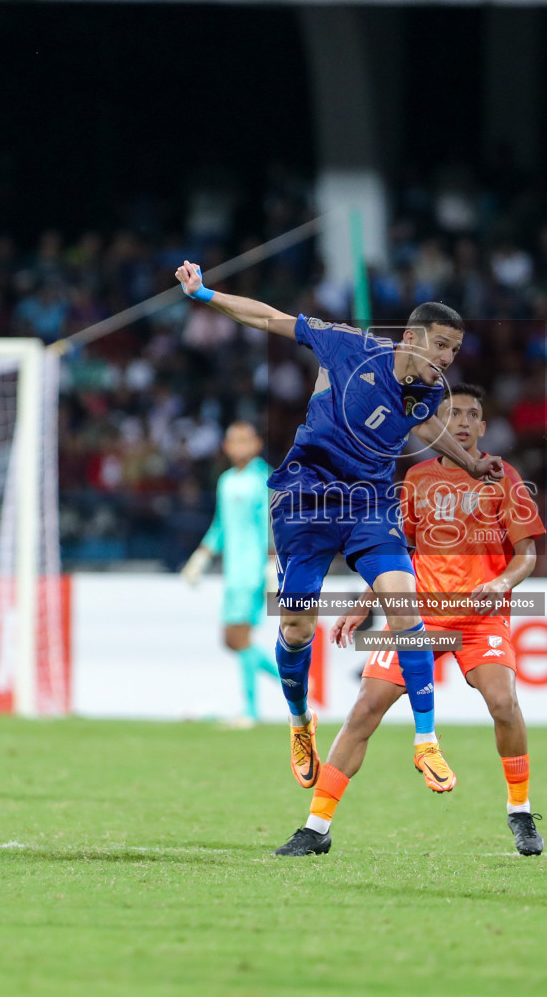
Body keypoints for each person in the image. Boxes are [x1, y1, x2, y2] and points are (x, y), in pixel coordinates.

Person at [172, 261, 502, 857]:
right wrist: (205, 294)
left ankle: (426, 739)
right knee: (296, 627)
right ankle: (300, 722)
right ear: (413, 337)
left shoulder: (428, 388)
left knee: (406, 609)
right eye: (443, 345)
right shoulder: (348, 345)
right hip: (304, 498)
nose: (450, 359)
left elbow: (427, 422)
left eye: (456, 350)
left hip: (369, 505)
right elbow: (269, 318)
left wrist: (471, 462)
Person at [323, 385, 547, 855]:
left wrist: (502, 584)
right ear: (438, 425)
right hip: (416, 617)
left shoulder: (505, 477)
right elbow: (393, 553)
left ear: (484, 427)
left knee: (503, 703)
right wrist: (365, 601)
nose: (463, 421)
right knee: (365, 708)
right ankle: (315, 826)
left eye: (472, 414)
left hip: (479, 621)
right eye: (452, 414)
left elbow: (526, 556)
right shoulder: (416, 479)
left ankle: (520, 813)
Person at [180, 420, 283, 725]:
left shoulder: (264, 478)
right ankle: (294, 683)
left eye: (245, 440)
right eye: (233, 441)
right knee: (232, 639)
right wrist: (200, 557)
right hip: (232, 570)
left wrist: (270, 563)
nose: (239, 446)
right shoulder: (226, 480)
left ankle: (251, 711)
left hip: (252, 569)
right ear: (226, 447)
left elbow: (273, 523)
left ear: (256, 445)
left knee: (238, 636)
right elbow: (220, 526)